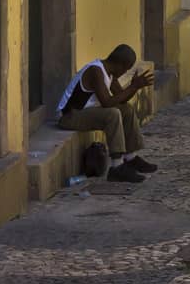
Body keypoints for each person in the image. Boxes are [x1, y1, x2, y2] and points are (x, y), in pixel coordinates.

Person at [55, 44, 158, 182]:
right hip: (69, 116)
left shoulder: (110, 74)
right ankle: (116, 166)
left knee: (126, 109)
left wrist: (134, 87)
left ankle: (131, 157)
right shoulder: (95, 71)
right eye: (126, 69)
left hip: (85, 113)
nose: (125, 72)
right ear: (120, 65)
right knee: (112, 114)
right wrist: (133, 86)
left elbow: (121, 98)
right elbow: (107, 102)